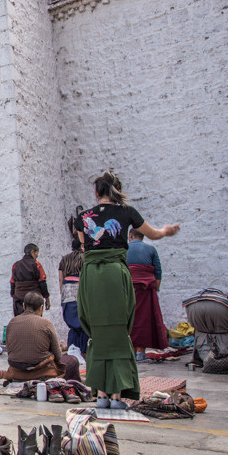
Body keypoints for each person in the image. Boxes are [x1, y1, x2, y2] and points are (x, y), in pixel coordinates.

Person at [79, 170, 180, 408]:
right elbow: (154, 234)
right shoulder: (127, 212)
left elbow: (86, 248)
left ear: (96, 192)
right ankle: (116, 397)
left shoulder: (82, 217)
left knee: (97, 333)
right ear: (117, 191)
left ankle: (101, 395)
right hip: (115, 274)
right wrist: (166, 231)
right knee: (119, 331)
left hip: (91, 276)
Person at [4, 293, 80, 383]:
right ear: (41, 308)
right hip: (42, 372)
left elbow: (10, 349)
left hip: (16, 372)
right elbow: (58, 356)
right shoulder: (46, 323)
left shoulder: (12, 322)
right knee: (73, 360)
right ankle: (72, 387)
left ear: (24, 306)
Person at [127, 228, 168, 361]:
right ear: (142, 237)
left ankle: (132, 351)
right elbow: (158, 272)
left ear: (131, 236)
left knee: (130, 319)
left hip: (127, 288)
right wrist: (156, 290)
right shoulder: (151, 249)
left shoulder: (123, 249)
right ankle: (141, 352)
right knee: (144, 320)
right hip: (146, 289)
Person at [183, 288, 228, 369]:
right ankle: (223, 358)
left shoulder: (204, 295)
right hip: (220, 306)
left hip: (193, 304)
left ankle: (202, 358)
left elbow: (196, 332)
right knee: (225, 330)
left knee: (200, 329)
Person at [58, 237, 87, 354]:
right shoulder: (84, 258)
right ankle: (83, 348)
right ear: (81, 246)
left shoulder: (64, 259)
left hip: (67, 290)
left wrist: (62, 292)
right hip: (81, 290)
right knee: (82, 320)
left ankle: (72, 346)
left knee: (71, 320)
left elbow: (60, 278)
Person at [10, 244, 50, 317]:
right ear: (32, 252)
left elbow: (12, 282)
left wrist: (14, 296)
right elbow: (42, 282)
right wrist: (46, 297)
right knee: (35, 319)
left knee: (20, 319)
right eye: (37, 253)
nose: (37, 256)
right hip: (34, 297)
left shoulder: (16, 265)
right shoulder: (36, 264)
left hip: (19, 297)